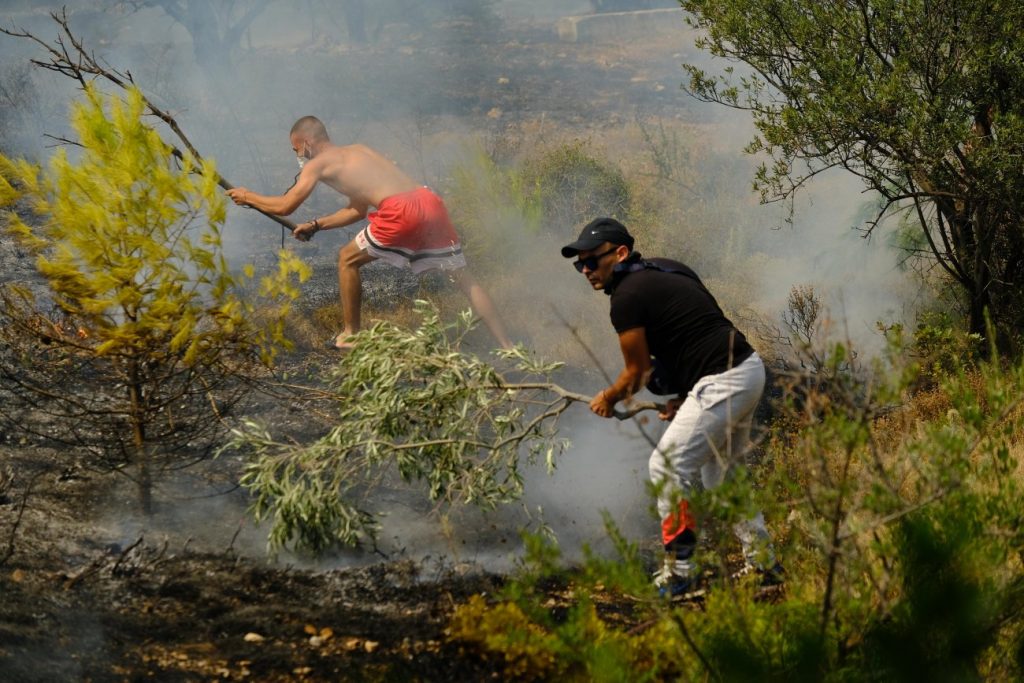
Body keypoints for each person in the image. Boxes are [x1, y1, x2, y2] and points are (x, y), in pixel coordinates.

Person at [561, 216, 781, 597]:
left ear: (621, 253)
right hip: (746, 369)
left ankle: (681, 573)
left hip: (724, 380)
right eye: (579, 264)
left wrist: (609, 397)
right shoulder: (668, 269)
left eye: (591, 261)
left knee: (666, 466)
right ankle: (765, 564)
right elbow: (695, 332)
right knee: (721, 476)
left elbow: (638, 372)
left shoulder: (626, 298)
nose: (585, 271)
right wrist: (685, 398)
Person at [227, 116, 511, 350]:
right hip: (429, 201)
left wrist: (248, 196)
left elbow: (286, 205)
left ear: (308, 143)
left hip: (401, 209)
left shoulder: (317, 163)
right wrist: (316, 225)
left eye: (296, 150)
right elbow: (357, 210)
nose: (298, 157)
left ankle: (351, 334)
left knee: (347, 259)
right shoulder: (359, 150)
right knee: (462, 276)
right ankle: (507, 345)